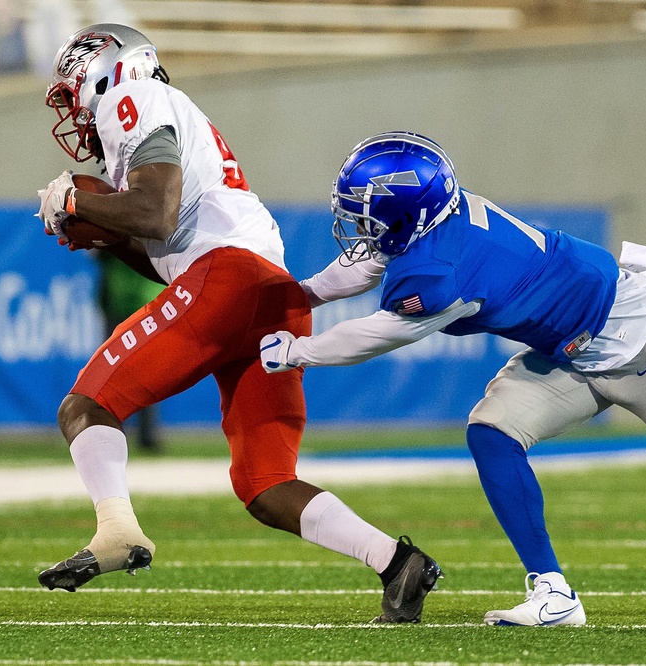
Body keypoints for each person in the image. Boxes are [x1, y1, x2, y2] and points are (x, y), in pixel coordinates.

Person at [259, 131, 646, 627]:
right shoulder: (434, 225)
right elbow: (366, 264)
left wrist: (298, 351)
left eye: (366, 214)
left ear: (405, 213)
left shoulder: (440, 268)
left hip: (635, 335)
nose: (357, 226)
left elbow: (380, 334)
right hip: (567, 352)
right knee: (491, 432)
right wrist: (301, 293)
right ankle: (553, 593)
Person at [35, 26, 441, 623]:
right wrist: (100, 230)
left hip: (229, 280)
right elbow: (163, 250)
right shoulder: (162, 131)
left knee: (86, 406)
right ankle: (397, 563)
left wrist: (77, 202)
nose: (76, 116)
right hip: (265, 295)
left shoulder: (139, 99)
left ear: (107, 75)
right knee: (266, 484)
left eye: (74, 95)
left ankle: (117, 530)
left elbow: (155, 211)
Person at [96, 251, 164, 451]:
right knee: (114, 375)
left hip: (140, 301)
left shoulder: (133, 224)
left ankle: (136, 435)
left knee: (139, 374)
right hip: (129, 299)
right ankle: (118, 434)